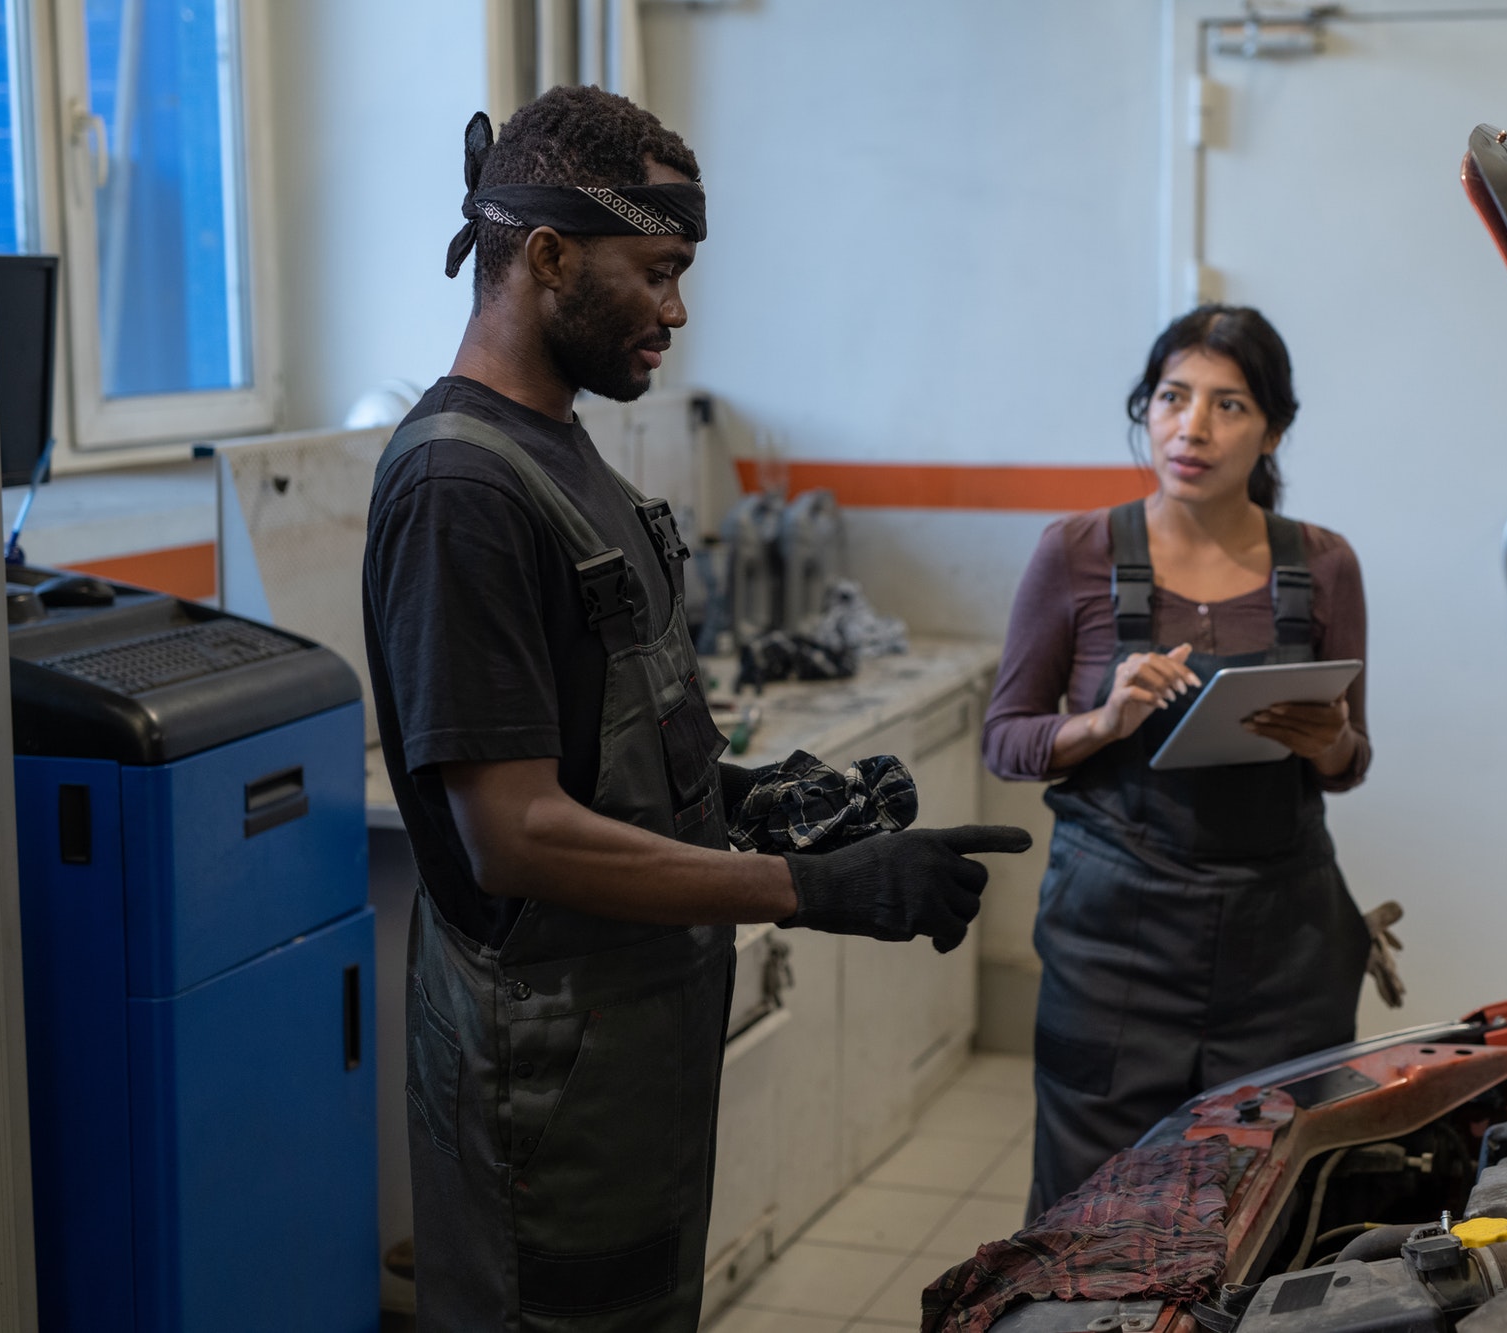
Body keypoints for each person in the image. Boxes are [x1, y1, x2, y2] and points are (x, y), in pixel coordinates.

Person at [361, 87, 1030, 1333]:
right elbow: (513, 831)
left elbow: (590, 747)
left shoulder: (560, 449)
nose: (676, 309)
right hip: (543, 1074)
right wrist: (812, 892)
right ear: (547, 255)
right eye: (656, 270)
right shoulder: (462, 486)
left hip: (627, 1053)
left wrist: (752, 799)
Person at [982, 304, 1373, 1218]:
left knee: (1277, 1194)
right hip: (1115, 936)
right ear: (1145, 409)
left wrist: (1333, 743)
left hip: (1285, 937)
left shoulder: (1323, 566)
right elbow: (1007, 739)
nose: (1192, 428)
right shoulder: (1075, 552)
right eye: (1171, 397)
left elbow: (1353, 759)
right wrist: (1104, 721)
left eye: (1229, 405)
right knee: (1093, 1201)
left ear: (1273, 428)